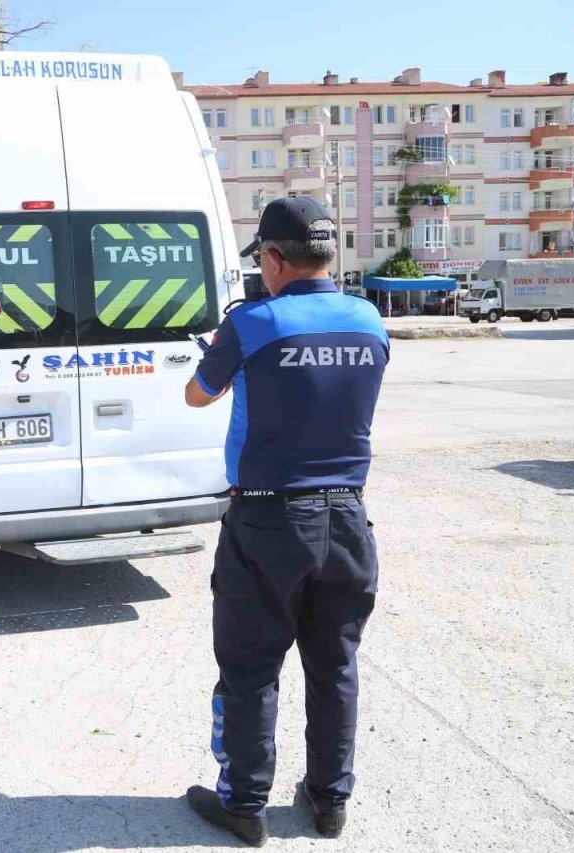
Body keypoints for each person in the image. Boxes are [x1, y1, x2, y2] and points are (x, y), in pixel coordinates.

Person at [182, 197, 388, 846]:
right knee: (335, 666)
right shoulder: (369, 319)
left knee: (249, 667)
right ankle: (330, 802)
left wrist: (225, 352)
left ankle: (245, 806)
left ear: (273, 259)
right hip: (347, 519)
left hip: (269, 520)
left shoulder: (251, 323)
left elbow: (198, 393)